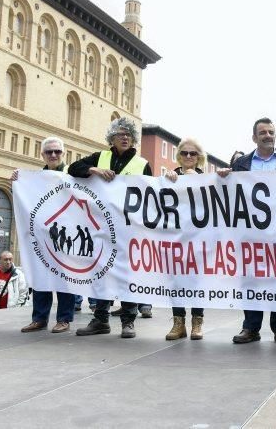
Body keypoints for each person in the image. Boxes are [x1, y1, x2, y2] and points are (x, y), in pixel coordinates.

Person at [217, 117, 276, 345]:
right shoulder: (241, 164)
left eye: (271, 132)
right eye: (263, 132)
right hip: (249, 234)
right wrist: (225, 177)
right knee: (250, 280)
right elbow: (230, 196)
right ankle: (250, 327)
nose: (268, 136)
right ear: (254, 138)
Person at [68, 117, 152, 338]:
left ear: (132, 139)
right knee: (101, 273)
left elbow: (150, 198)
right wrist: (94, 170)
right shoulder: (100, 157)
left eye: (128, 134)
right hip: (102, 228)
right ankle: (100, 320)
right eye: (120, 134)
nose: (124, 137)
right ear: (112, 138)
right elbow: (73, 168)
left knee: (128, 275)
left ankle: (128, 321)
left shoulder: (142, 164)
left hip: (130, 229)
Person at [13, 137, 76, 333]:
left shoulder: (73, 174)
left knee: (66, 276)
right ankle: (39, 318)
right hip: (42, 235)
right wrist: (18, 179)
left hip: (66, 235)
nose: (53, 155)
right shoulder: (35, 179)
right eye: (49, 152)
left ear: (63, 153)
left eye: (57, 151)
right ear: (43, 155)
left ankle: (64, 318)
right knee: (41, 274)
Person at [163, 138, 208, 340]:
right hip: (175, 239)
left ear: (199, 157)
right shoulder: (170, 177)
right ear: (179, 156)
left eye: (193, 154)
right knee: (177, 281)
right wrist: (166, 179)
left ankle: (197, 323)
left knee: (197, 281)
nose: (189, 157)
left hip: (199, 239)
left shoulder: (208, 179)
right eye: (185, 153)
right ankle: (178, 323)